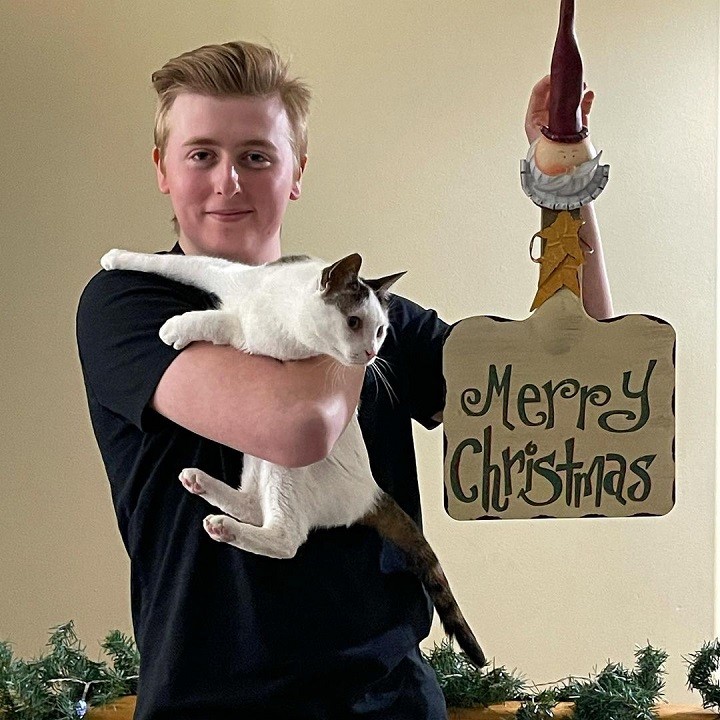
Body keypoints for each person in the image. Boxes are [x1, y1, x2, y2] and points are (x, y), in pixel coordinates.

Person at [76, 41, 612, 720]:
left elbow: (577, 382)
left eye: (257, 156)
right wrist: (340, 325)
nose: (229, 181)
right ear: (162, 169)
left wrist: (561, 172)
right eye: (201, 154)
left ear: (296, 170)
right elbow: (297, 427)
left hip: (387, 702)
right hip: (205, 704)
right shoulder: (129, 302)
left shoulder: (372, 316)